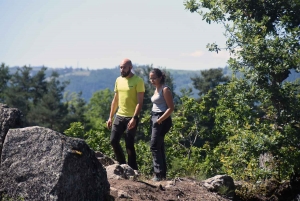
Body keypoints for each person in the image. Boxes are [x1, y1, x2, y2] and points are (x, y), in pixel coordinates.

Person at [106, 58, 145, 171]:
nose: (121, 70)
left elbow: (140, 102)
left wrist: (134, 118)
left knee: (129, 145)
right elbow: (115, 100)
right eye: (120, 67)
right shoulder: (118, 80)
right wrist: (110, 117)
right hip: (119, 115)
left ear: (130, 67)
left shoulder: (138, 81)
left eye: (124, 67)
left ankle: (133, 170)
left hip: (131, 117)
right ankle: (122, 165)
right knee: (113, 141)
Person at [149, 68, 174, 181]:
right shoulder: (156, 89)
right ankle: (162, 175)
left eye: (154, 78)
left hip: (162, 118)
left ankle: (158, 174)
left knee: (154, 146)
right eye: (150, 78)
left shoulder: (165, 89)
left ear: (160, 78)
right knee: (159, 146)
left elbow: (171, 108)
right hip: (155, 117)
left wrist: (160, 120)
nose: (152, 80)